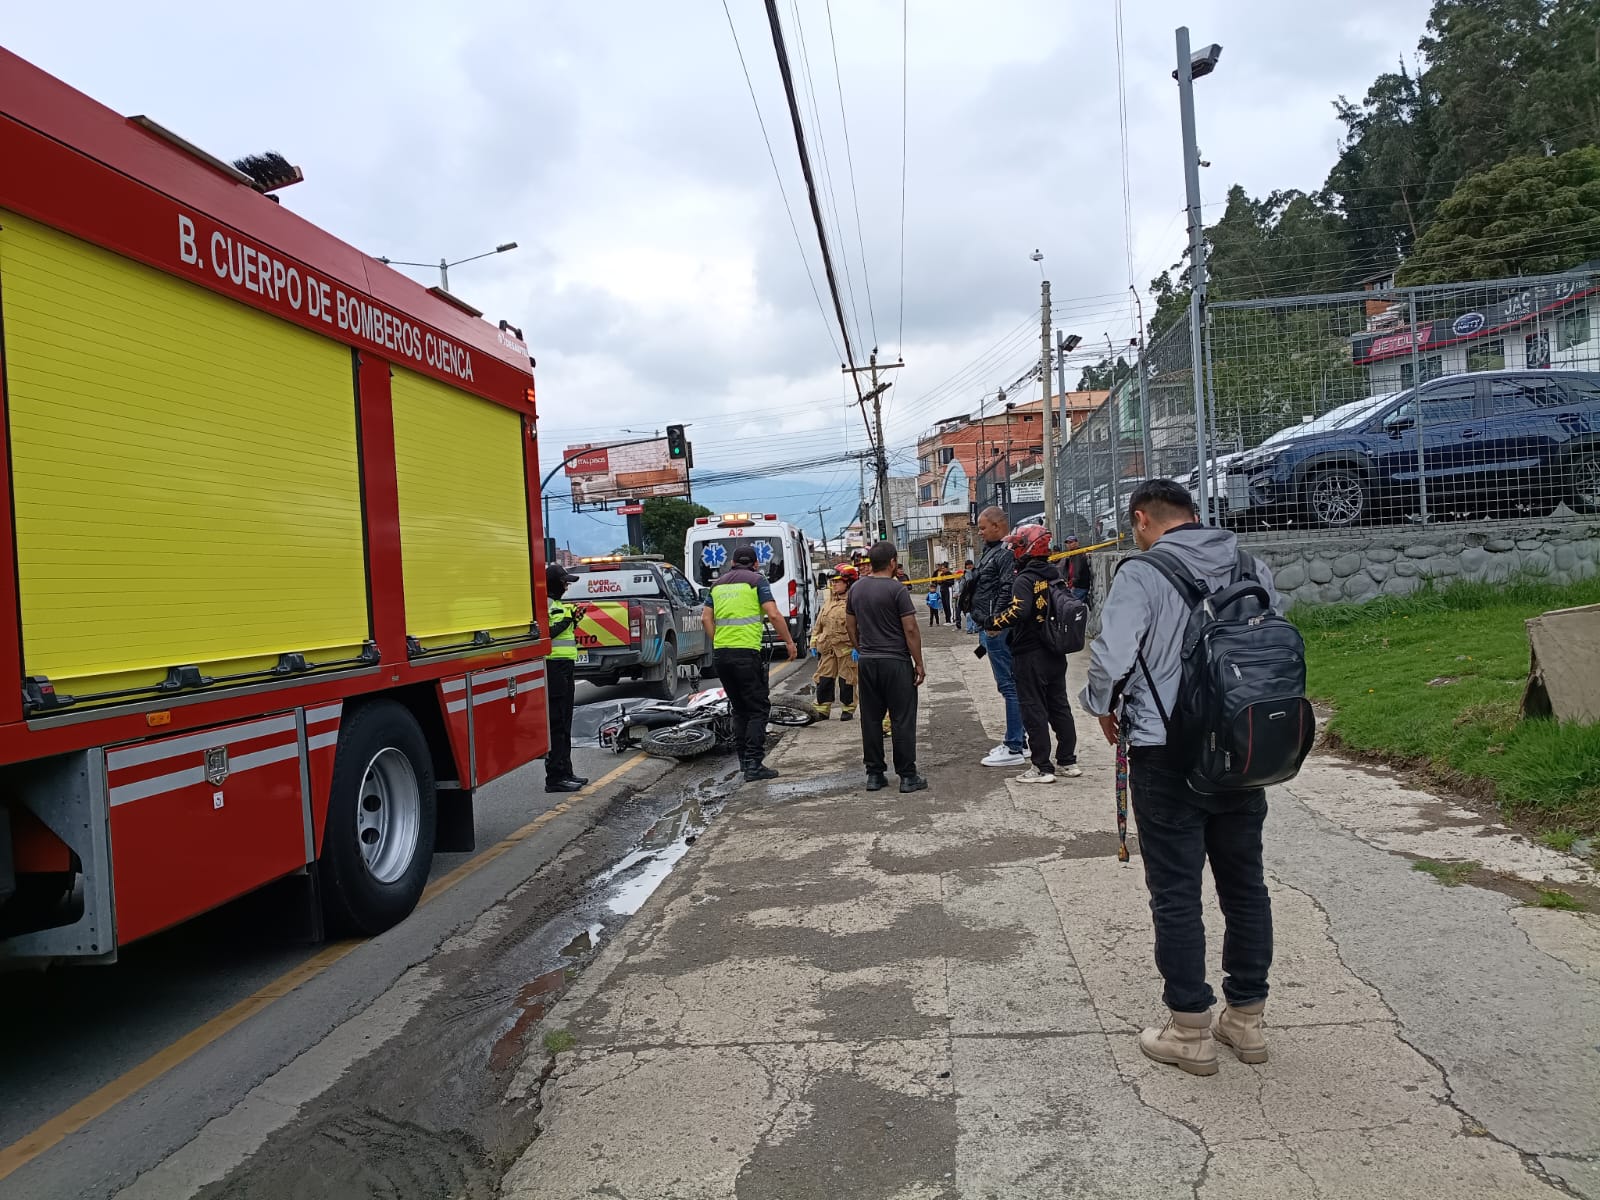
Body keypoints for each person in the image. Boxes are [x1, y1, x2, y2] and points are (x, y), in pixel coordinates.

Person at [1079, 478, 1280, 1077]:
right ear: (1193, 515)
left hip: (1166, 752)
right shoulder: (1252, 566)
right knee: (1246, 886)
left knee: (1175, 892)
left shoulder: (1142, 574)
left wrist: (1102, 708)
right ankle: (1246, 1019)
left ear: (1142, 519)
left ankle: (1189, 1029)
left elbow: (1111, 659)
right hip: (1242, 751)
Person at [987, 524, 1079, 784]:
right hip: (1055, 652)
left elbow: (1019, 612)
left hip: (1029, 654)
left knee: (1033, 708)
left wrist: (993, 623)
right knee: (1059, 706)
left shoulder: (1025, 579)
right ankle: (1067, 761)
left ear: (1026, 547)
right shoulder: (1054, 576)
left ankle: (1041, 767)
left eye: (1017, 545)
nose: (1014, 550)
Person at [701, 545, 798, 782]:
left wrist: (720, 642)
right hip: (746, 654)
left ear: (732, 563)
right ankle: (755, 764)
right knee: (758, 709)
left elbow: (705, 618)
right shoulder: (757, 581)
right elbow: (773, 614)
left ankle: (744, 761)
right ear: (755, 563)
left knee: (739, 709)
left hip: (722, 656)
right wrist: (789, 642)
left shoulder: (717, 584)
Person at [845, 541, 927, 793]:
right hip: (895, 662)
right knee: (901, 718)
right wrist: (919, 663)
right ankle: (907, 776)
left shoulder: (856, 589)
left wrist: (862, 648)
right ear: (892, 562)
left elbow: (849, 625)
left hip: (868, 662)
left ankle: (874, 774)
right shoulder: (897, 590)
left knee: (870, 719)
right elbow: (910, 628)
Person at [968, 507, 1026, 767]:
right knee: (1009, 686)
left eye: (983, 527)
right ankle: (1019, 739)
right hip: (988, 626)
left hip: (998, 629)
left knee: (1009, 686)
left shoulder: (1004, 553)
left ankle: (1015, 745)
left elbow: (1006, 589)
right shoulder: (991, 551)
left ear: (998, 525)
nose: (980, 533)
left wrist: (995, 622)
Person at [543, 565, 590, 794]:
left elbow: (562, 630)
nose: (566, 586)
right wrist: (568, 619)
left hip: (564, 667)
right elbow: (547, 634)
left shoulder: (559, 605)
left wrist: (574, 619)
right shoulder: (545, 604)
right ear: (553, 583)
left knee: (566, 721)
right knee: (557, 723)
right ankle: (555, 777)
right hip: (553, 668)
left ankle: (566, 771)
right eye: (564, 582)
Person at [809, 564, 858, 720]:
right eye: (832, 581)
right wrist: (813, 642)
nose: (834, 584)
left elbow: (861, 625)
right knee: (824, 679)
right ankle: (822, 708)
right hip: (827, 649)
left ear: (848, 582)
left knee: (847, 680)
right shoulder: (829, 601)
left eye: (837, 581)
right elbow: (819, 625)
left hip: (846, 649)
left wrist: (859, 646)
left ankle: (848, 708)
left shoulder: (854, 601)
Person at [1062, 534, 1094, 605]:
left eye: (1071, 542)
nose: (1069, 544)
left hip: (1079, 586)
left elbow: (1077, 571)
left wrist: (1072, 583)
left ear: (1077, 543)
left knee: (1072, 606)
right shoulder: (1072, 554)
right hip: (1076, 585)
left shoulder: (1078, 554)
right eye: (1067, 543)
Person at [958, 559, 979, 634]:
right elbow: (962, 586)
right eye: (967, 565)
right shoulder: (965, 575)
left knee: (974, 613)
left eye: (970, 564)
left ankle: (975, 628)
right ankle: (970, 628)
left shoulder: (976, 572)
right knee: (969, 614)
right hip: (967, 597)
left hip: (974, 595)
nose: (969, 566)